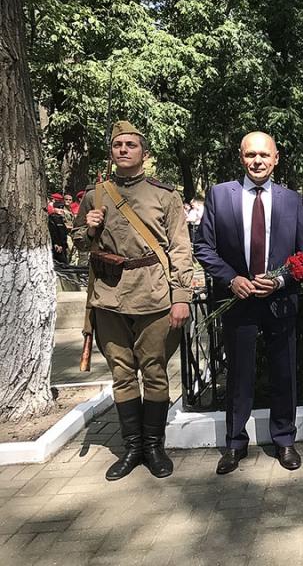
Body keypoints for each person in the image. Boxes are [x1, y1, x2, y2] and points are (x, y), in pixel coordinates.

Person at [71, 121, 193, 481]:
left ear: (145, 153)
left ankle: (154, 447)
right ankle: (132, 448)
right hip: (108, 297)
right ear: (111, 152)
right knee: (122, 374)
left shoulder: (164, 195)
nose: (123, 149)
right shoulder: (94, 195)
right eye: (117, 145)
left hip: (153, 294)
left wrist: (181, 297)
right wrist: (88, 228)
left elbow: (180, 249)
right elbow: (78, 242)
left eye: (131, 145)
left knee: (154, 371)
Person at [194, 132, 303, 474]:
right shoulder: (220, 195)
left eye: (264, 155)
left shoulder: (291, 200)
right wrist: (231, 279)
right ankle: (235, 443)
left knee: (284, 372)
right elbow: (204, 246)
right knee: (238, 374)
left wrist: (280, 280)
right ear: (241, 157)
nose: (257, 161)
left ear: (276, 158)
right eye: (251, 155)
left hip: (279, 300)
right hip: (238, 299)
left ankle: (284, 440)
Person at [48, 200, 70, 265]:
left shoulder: (60, 218)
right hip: (58, 246)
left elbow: (63, 232)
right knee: (62, 264)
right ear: (54, 208)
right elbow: (53, 232)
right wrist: (56, 244)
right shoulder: (52, 218)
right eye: (58, 208)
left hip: (63, 245)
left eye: (62, 208)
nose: (61, 210)